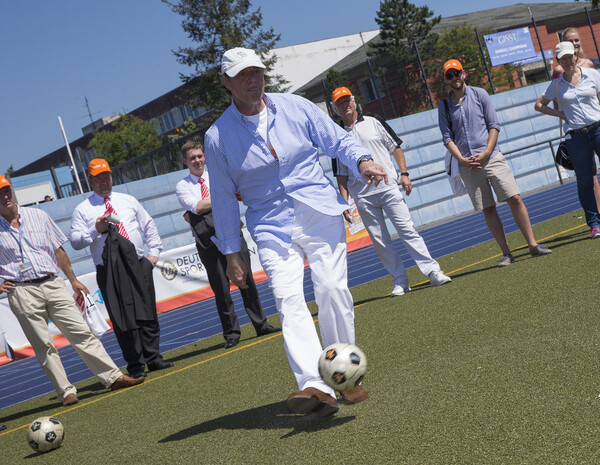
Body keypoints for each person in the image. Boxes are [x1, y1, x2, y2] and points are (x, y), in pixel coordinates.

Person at [203, 47, 389, 416]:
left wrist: (363, 160)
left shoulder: (296, 106)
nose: (252, 80)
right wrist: (230, 253)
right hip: (270, 224)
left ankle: (343, 376)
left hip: (319, 210)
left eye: (256, 72)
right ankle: (313, 385)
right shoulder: (217, 137)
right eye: (242, 75)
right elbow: (223, 198)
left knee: (332, 289)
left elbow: (338, 141)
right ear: (226, 82)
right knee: (289, 300)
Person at [0, 175, 143, 406]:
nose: (4, 196)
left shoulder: (38, 215)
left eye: (6, 190)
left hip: (52, 282)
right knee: (43, 345)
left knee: (81, 332)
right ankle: (66, 392)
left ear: (12, 191)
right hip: (21, 290)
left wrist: (73, 280)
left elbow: (58, 251)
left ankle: (113, 377)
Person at [330, 87, 452, 296]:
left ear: (353, 100)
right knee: (380, 241)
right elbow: (340, 174)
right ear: (334, 109)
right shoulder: (337, 136)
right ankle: (400, 281)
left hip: (388, 188)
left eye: (347, 100)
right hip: (362, 196)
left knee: (407, 229)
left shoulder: (374, 121)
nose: (345, 105)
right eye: (340, 103)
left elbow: (395, 147)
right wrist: (344, 203)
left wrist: (404, 173)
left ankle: (433, 271)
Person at [438, 59, 552, 266]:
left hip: (490, 158)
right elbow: (447, 138)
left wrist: (487, 152)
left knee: (514, 198)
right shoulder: (444, 106)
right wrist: (462, 160)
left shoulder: (480, 94)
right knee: (488, 209)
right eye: (449, 75)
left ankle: (533, 245)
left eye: (457, 73)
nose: (454, 78)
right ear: (445, 80)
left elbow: (494, 125)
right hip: (468, 166)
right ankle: (507, 253)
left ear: (464, 74)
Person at [70, 158, 173, 379]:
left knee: (146, 311)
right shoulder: (83, 209)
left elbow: (148, 224)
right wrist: (95, 229)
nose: (103, 182)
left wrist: (153, 255)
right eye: (98, 179)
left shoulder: (127, 200)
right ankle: (135, 364)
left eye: (106, 176)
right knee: (122, 317)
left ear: (111, 176)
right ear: (90, 181)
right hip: (109, 270)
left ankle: (153, 357)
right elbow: (76, 241)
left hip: (138, 264)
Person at [175, 141, 281, 349]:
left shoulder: (218, 175)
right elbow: (196, 207)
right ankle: (231, 333)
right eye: (192, 158)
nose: (197, 160)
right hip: (207, 241)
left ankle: (260, 323)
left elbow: (217, 201)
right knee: (221, 288)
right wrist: (222, 197)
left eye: (199, 156)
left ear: (205, 157)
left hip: (231, 231)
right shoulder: (182, 185)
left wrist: (210, 204)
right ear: (184, 161)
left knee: (246, 278)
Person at [535, 42, 600, 238]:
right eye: (563, 59)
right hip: (576, 137)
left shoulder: (593, 74)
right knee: (584, 181)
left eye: (570, 57)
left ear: (575, 55)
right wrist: (559, 113)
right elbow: (539, 105)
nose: (567, 61)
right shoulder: (556, 85)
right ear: (558, 61)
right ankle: (594, 223)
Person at [552, 27, 600, 227]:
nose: (574, 44)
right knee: (589, 175)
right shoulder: (558, 70)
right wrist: (562, 112)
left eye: (576, 40)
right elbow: (557, 101)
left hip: (598, 125)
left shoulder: (590, 65)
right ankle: (599, 217)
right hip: (578, 131)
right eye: (570, 40)